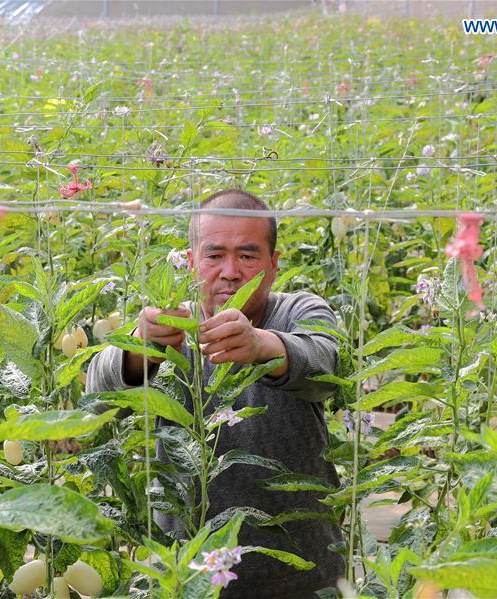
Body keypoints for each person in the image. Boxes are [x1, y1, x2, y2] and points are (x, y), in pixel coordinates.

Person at [86, 189, 344, 598]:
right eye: (213, 255)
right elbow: (96, 401)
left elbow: (327, 365)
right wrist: (140, 349)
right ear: (191, 262)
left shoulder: (298, 312)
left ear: (274, 265)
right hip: (187, 580)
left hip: (301, 577)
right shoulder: (169, 326)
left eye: (247, 255)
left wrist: (262, 346)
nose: (230, 271)